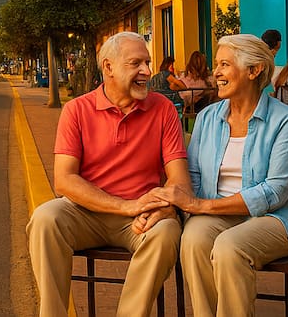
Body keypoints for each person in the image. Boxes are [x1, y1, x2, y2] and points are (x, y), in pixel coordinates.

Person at [27, 31, 189, 317]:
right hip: (86, 213)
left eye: (147, 63)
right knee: (45, 219)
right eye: (135, 63)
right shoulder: (77, 110)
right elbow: (64, 180)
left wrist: (164, 206)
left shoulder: (163, 109)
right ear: (108, 67)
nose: (146, 72)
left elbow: (179, 180)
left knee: (166, 233)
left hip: (142, 220)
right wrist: (125, 206)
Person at [152, 34, 288, 316]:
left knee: (230, 246)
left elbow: (276, 191)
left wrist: (203, 206)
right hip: (218, 211)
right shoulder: (207, 118)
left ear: (254, 70)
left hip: (277, 217)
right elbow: (192, 174)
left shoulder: (285, 120)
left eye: (225, 65)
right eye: (217, 65)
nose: (216, 73)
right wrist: (184, 207)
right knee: (193, 239)